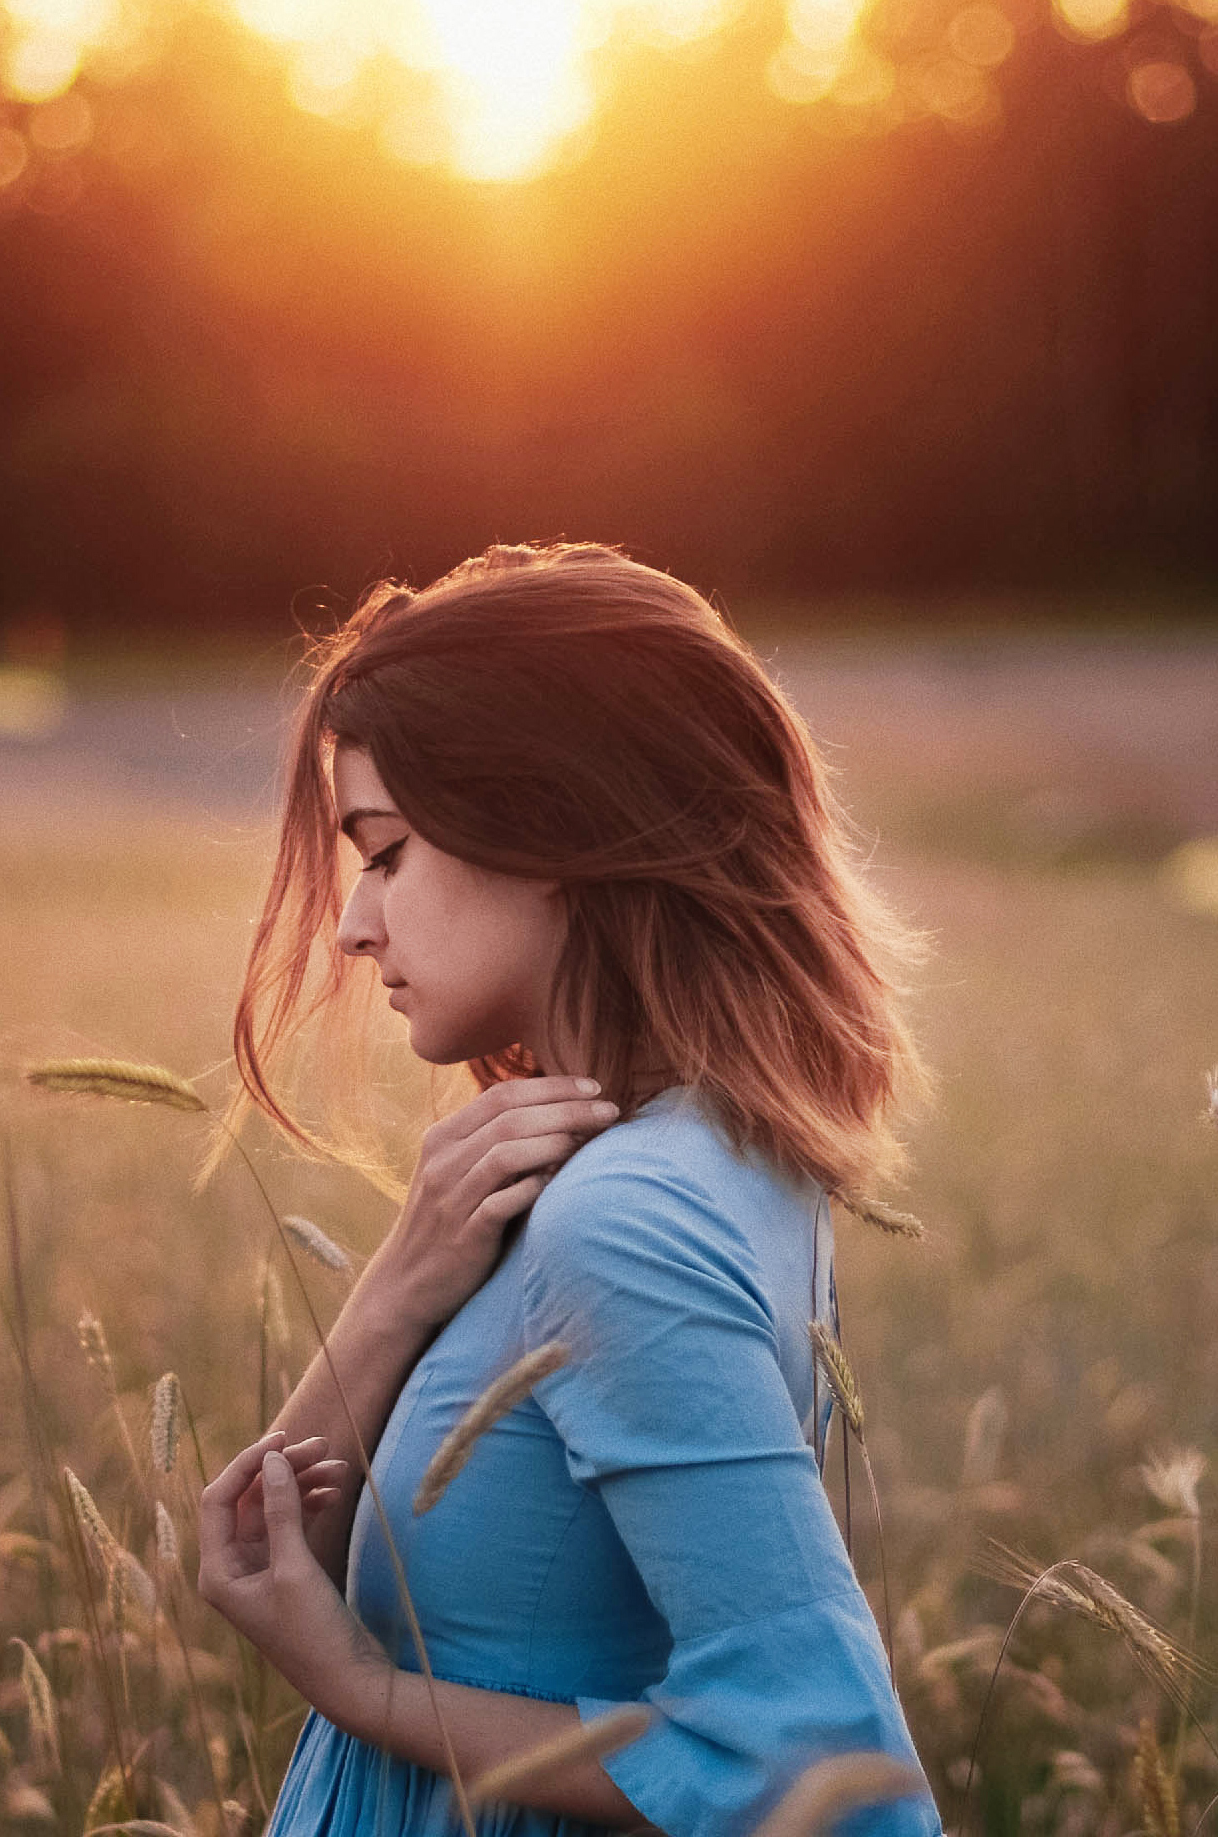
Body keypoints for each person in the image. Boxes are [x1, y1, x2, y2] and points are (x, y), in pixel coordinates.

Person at [195, 543, 941, 1837]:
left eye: (385, 851)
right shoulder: (690, 1155)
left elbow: (818, 1764)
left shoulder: (627, 1216)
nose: (354, 924)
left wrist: (366, 1690)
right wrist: (399, 1284)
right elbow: (270, 1558)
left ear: (548, 830)